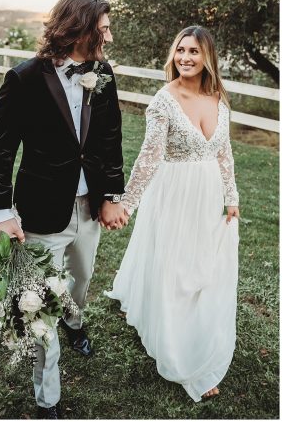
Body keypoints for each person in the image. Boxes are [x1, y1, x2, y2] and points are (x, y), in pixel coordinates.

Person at [0, 0, 126, 419]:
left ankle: (76, 321)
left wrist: (112, 196)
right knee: (40, 304)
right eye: (103, 29)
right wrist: (1, 211)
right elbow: (0, 151)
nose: (109, 37)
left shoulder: (102, 73)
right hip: (42, 213)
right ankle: (49, 399)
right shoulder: (24, 78)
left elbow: (109, 139)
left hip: (90, 208)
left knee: (77, 288)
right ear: (78, 28)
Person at [106, 26, 239, 402]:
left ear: (207, 57)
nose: (185, 58)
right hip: (175, 195)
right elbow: (148, 158)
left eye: (194, 52)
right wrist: (127, 203)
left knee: (204, 268)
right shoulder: (163, 100)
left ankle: (197, 327)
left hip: (209, 194)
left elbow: (224, 154)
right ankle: (181, 354)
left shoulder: (219, 100)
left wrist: (232, 195)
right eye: (180, 50)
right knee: (175, 268)